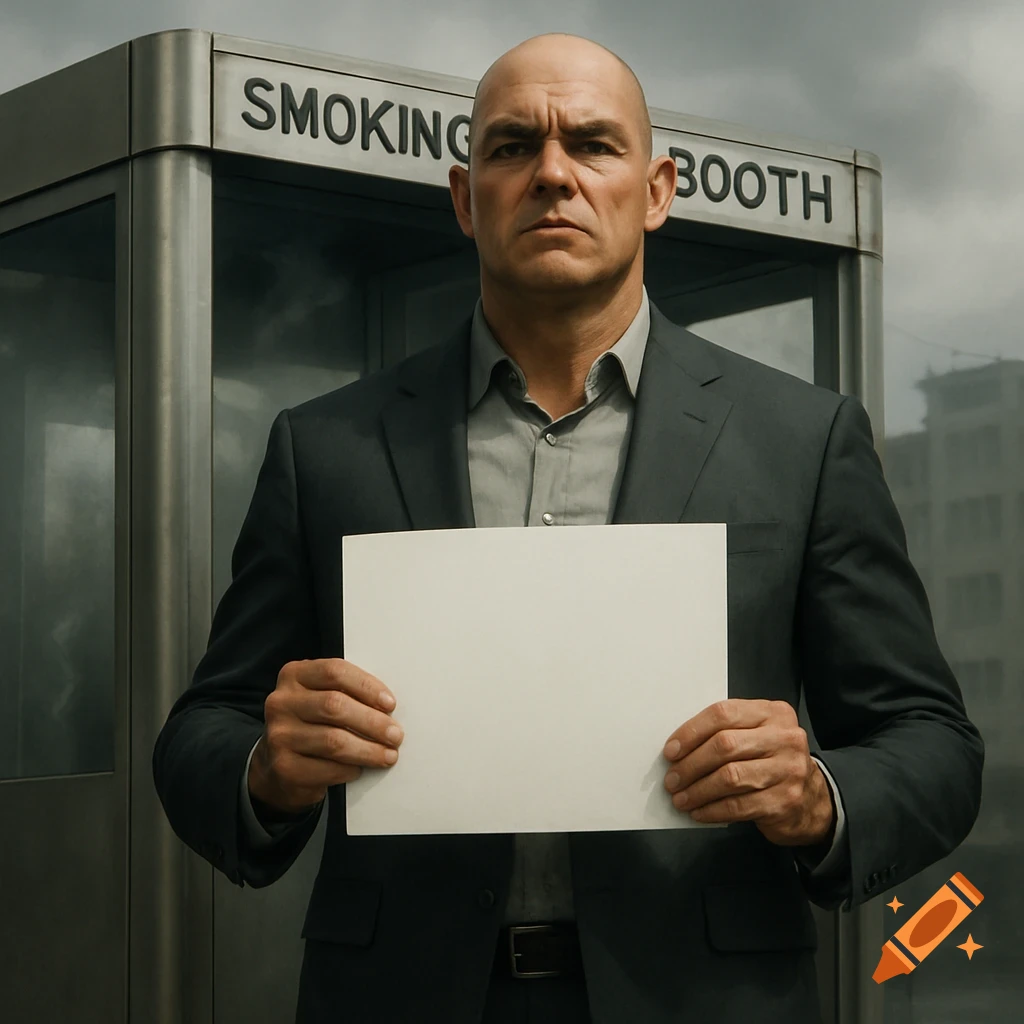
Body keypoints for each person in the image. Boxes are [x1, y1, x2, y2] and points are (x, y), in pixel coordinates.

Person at [152, 32, 984, 1024]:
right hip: (399, 996)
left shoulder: (803, 439)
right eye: (511, 148)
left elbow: (932, 744)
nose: (551, 173)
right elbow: (200, 731)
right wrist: (264, 769)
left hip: (707, 997)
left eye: (592, 144)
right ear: (464, 199)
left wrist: (815, 796)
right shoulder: (325, 446)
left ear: (659, 188)